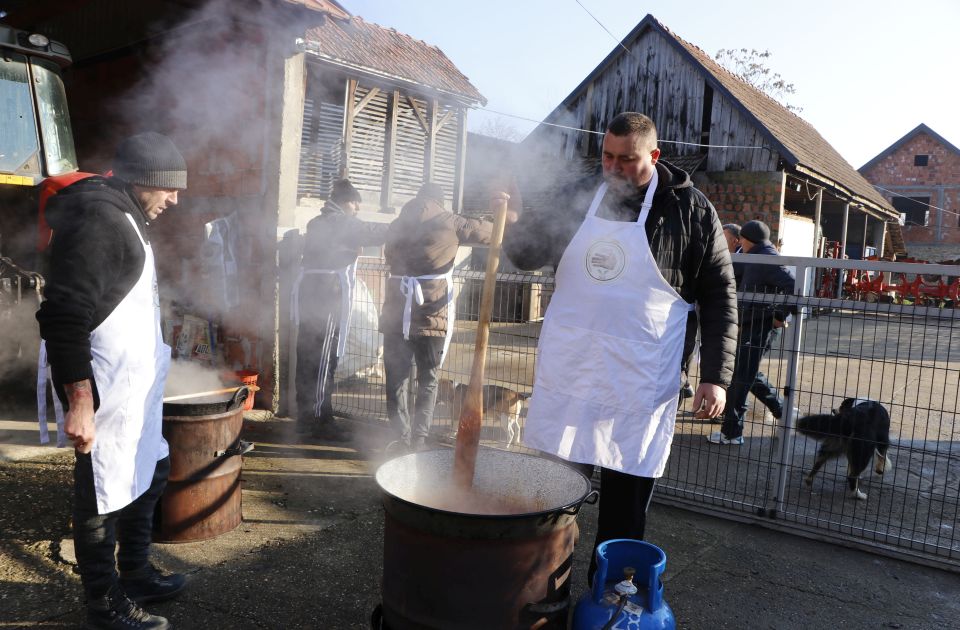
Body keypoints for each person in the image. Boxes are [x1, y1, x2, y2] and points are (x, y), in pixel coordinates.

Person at [503, 112, 738, 578]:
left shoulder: (690, 210)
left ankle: (609, 594)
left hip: (638, 380)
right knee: (552, 495)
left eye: (626, 159)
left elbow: (720, 297)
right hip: (572, 372)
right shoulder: (577, 195)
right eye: (607, 156)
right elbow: (527, 256)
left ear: (653, 155)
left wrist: (715, 378)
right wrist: (513, 219)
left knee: (625, 509)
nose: (613, 167)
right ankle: (542, 590)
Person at [36, 132, 188, 630]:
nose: (175, 198)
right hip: (102, 389)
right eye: (170, 188)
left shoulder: (130, 215)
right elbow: (63, 314)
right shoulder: (98, 218)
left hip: (133, 389)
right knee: (100, 496)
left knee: (149, 474)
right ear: (145, 180)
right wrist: (78, 399)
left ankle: (138, 573)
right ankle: (104, 602)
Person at [380, 183, 497, 452]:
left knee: (396, 378)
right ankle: (419, 440)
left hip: (395, 313)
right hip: (431, 314)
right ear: (440, 201)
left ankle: (399, 437)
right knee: (428, 379)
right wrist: (497, 215)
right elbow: (490, 233)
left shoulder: (398, 223)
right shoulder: (450, 221)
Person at [292, 179, 389, 441]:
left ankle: (308, 418)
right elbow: (373, 231)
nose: (358, 207)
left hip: (310, 294)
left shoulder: (317, 222)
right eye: (355, 202)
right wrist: (408, 227)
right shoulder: (341, 222)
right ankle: (318, 423)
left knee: (308, 357)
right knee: (324, 360)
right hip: (328, 294)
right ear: (345, 202)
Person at [709, 219, 796, 445]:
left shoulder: (767, 258)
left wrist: (779, 315)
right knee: (747, 373)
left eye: (741, 241)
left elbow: (793, 286)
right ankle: (783, 410)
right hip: (750, 324)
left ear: (747, 240)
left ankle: (732, 433)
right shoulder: (753, 255)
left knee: (741, 379)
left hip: (760, 326)